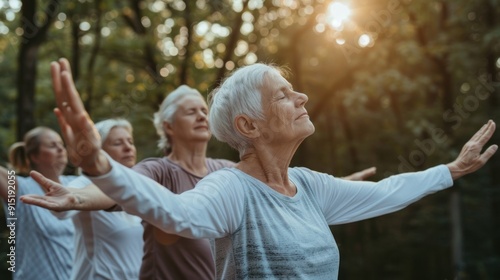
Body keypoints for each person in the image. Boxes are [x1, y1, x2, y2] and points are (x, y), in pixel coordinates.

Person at [26, 58, 496, 279]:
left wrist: (449, 171)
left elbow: (389, 191)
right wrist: (96, 163)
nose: (302, 98)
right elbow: (174, 212)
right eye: (284, 95)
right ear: (249, 124)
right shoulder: (230, 187)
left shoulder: (308, 186)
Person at [50, 118, 144, 280]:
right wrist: (63, 199)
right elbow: (64, 208)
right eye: (117, 143)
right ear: (99, 152)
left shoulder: (139, 185)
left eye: (130, 141)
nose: (128, 147)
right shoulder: (86, 182)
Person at [0, 127, 76, 280]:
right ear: (34, 156)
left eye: (61, 144)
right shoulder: (20, 188)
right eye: (52, 145)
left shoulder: (75, 185)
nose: (61, 149)